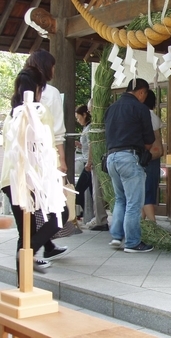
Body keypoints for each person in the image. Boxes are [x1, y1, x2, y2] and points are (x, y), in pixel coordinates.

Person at [1, 66, 69, 280]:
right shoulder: (40, 110)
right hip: (34, 179)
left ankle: (22, 285)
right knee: (61, 215)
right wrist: (57, 174)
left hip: (9, 178)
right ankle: (30, 252)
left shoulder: (11, 114)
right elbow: (47, 146)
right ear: (39, 89)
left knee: (26, 231)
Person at [23, 50, 68, 261]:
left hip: (23, 162)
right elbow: (57, 131)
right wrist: (62, 161)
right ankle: (29, 252)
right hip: (43, 161)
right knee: (59, 210)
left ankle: (44, 247)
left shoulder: (20, 91)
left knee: (31, 211)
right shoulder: (49, 93)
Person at [105, 78, 155, 253]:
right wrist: (143, 150)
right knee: (134, 202)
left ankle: (117, 236)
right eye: (144, 94)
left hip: (111, 158)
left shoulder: (111, 108)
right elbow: (149, 139)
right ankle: (133, 242)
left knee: (121, 199)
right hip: (130, 158)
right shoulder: (140, 108)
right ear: (141, 92)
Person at [83, 98, 109, 231]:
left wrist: (89, 161)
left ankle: (101, 219)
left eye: (89, 108)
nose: (88, 111)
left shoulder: (97, 124)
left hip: (99, 162)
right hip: (108, 159)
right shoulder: (107, 121)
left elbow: (92, 145)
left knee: (97, 190)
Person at [142, 89, 164, 222]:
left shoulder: (143, 115)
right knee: (148, 191)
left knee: (145, 194)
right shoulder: (154, 117)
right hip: (154, 158)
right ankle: (142, 225)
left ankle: (152, 224)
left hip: (146, 158)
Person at [74, 105, 93, 219]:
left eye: (78, 117)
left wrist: (89, 162)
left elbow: (91, 146)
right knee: (91, 191)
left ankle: (80, 214)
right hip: (87, 161)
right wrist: (79, 146)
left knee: (79, 190)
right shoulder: (86, 128)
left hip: (88, 164)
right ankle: (94, 217)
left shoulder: (89, 128)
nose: (78, 120)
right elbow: (87, 147)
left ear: (84, 115)